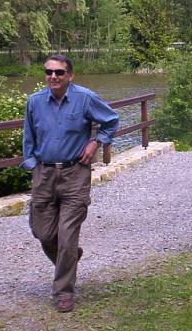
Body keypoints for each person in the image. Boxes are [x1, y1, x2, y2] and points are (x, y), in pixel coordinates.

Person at [22, 55, 119, 313]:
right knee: (43, 233)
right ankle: (70, 257)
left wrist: (95, 141)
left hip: (75, 174)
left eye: (59, 73)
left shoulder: (84, 98)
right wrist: (32, 165)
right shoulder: (34, 103)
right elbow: (28, 136)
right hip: (44, 175)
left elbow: (111, 120)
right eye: (49, 72)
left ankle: (63, 291)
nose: (53, 77)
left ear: (70, 75)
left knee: (66, 236)